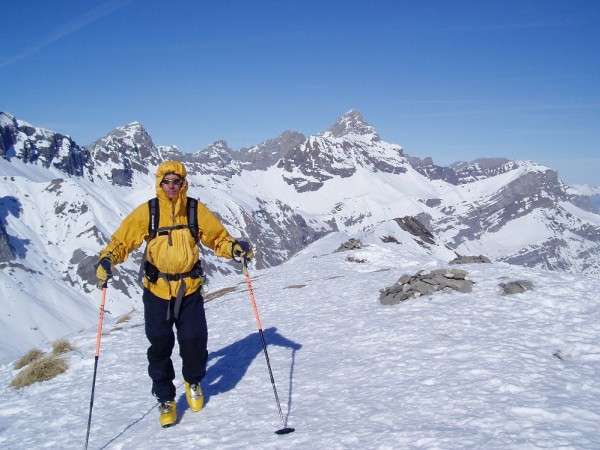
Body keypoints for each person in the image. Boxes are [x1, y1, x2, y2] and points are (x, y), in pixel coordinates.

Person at [95, 160, 253, 428]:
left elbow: (217, 238)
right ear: (160, 183)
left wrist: (234, 249)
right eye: (166, 182)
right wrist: (107, 259)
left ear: (183, 183)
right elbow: (123, 240)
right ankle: (166, 398)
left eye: (176, 182)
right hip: (156, 290)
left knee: (193, 343)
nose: (171, 186)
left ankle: (193, 381)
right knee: (160, 346)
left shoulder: (194, 209)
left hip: (189, 289)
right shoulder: (149, 212)